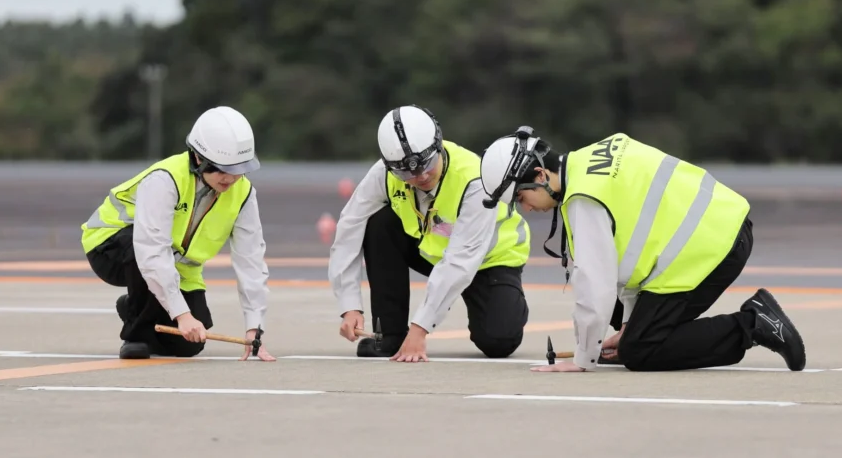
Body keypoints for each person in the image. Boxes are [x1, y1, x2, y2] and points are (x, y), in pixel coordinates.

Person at [479, 126, 806, 373]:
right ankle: (641, 332)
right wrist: (627, 326)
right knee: (626, 328)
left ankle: (754, 325)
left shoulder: (583, 200)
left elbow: (596, 286)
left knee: (641, 350)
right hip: (722, 227)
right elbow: (632, 251)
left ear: (540, 175)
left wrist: (583, 358)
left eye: (521, 197)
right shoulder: (592, 158)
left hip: (712, 249)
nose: (526, 209)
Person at [328, 104, 532, 362]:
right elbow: (349, 228)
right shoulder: (384, 173)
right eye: (406, 171)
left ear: (438, 144)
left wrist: (420, 329)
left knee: (499, 342)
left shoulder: (475, 180)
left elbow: (461, 261)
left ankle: (507, 297)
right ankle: (389, 334)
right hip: (432, 250)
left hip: (488, 260)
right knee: (379, 223)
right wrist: (349, 306)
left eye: (427, 163)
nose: (421, 176)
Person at [81, 105, 276, 362]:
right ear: (198, 158)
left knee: (188, 346)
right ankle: (136, 336)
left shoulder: (244, 194)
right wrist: (182, 315)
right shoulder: (165, 179)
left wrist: (254, 327)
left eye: (238, 169)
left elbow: (251, 259)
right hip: (111, 246)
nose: (230, 178)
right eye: (221, 169)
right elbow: (151, 250)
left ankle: (134, 306)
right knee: (148, 266)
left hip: (174, 263)